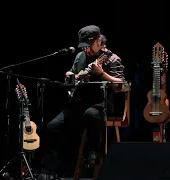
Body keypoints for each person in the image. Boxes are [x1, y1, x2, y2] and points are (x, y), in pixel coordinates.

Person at [40, 25, 126, 178]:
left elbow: (121, 86)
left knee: (91, 114)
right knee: (52, 127)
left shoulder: (112, 58)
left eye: (89, 45)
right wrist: (69, 75)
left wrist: (102, 74)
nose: (87, 50)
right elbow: (73, 74)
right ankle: (48, 172)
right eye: (84, 46)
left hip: (100, 104)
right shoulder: (80, 56)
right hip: (78, 103)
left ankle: (93, 152)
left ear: (99, 40)